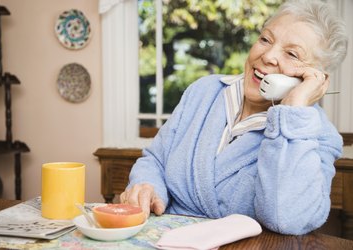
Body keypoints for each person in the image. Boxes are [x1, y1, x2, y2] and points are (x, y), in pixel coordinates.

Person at [120, 0, 348, 235]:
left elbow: (286, 218)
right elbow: (156, 160)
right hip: (164, 238)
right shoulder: (203, 91)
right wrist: (147, 185)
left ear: (316, 78)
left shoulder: (317, 135)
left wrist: (293, 113)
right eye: (265, 39)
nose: (268, 55)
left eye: (291, 53)